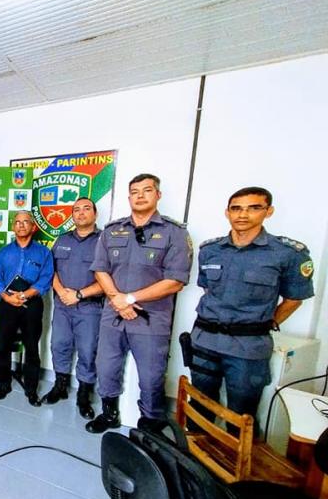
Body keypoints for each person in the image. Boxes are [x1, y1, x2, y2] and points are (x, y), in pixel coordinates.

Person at [186, 186, 314, 419]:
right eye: (236, 208)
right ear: (227, 213)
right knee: (200, 406)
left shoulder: (287, 253)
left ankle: (234, 455)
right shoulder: (211, 250)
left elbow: (294, 299)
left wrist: (264, 323)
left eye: (253, 208)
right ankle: (197, 452)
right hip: (205, 340)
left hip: (247, 348)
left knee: (242, 412)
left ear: (269, 211)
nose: (243, 215)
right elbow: (209, 289)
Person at [87, 173, 192, 433]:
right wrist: (118, 300)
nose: (140, 195)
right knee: (106, 367)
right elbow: (100, 269)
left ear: (158, 195)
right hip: (113, 314)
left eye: (147, 190)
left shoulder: (174, 233)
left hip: (151, 317)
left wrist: (131, 298)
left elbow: (175, 281)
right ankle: (109, 413)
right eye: (135, 191)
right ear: (129, 196)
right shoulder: (113, 230)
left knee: (151, 375)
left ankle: (150, 424)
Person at [45, 197, 103, 418]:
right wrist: (61, 292)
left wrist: (79, 295)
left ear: (95, 214)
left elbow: (109, 279)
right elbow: (53, 270)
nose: (80, 213)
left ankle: (83, 395)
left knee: (88, 351)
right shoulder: (62, 240)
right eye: (76, 210)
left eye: (86, 209)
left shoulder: (104, 241)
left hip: (89, 307)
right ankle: (60, 387)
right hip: (62, 305)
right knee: (59, 345)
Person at [0, 211, 53, 406]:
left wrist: (26, 295)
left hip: (32, 304)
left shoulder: (44, 253)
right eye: (17, 222)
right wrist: (7, 298)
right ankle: (4, 383)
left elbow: (46, 278)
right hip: (8, 304)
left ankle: (31, 389)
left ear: (33, 227)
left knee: (32, 348)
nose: (21, 225)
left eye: (25, 222)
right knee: (3, 346)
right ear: (13, 227)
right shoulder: (3, 253)